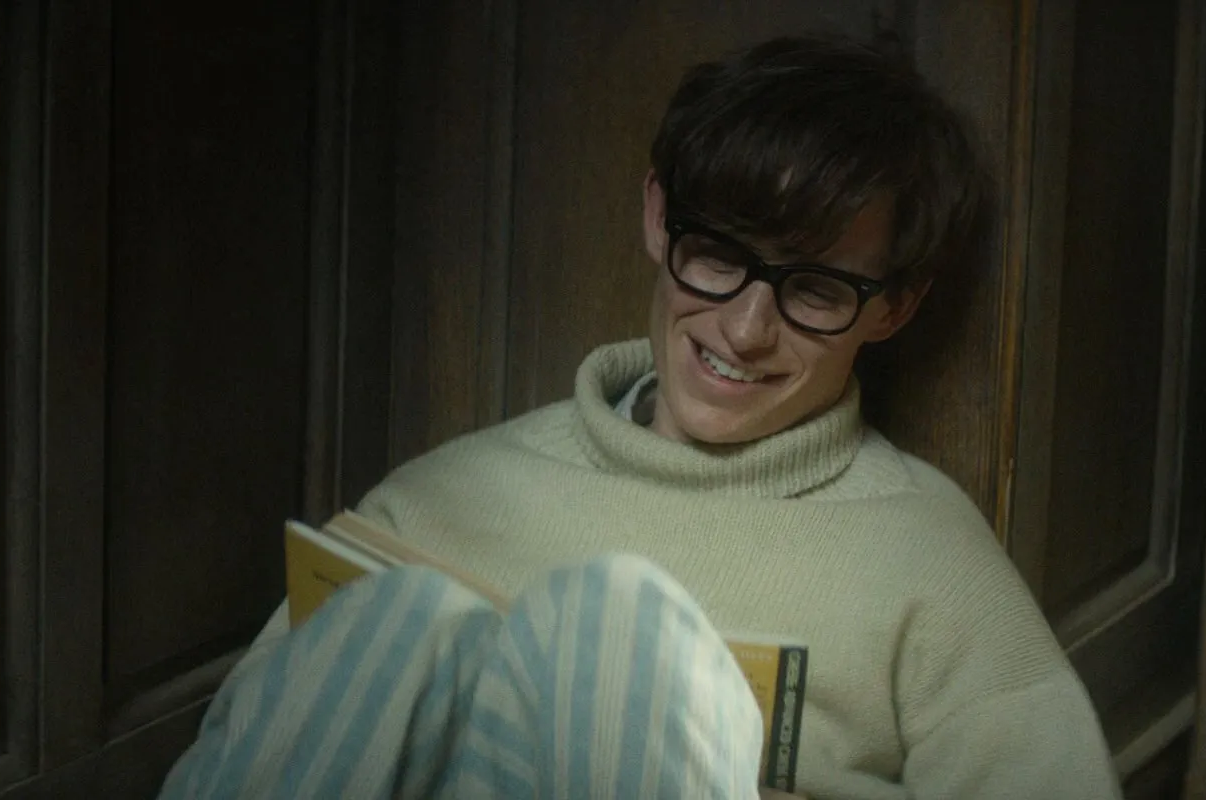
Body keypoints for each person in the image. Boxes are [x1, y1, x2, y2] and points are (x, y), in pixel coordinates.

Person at [167, 33, 1123, 800]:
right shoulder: (442, 498)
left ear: (893, 308)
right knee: (401, 618)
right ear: (661, 220)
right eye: (719, 255)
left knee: (621, 628)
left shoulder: (932, 563)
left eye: (815, 289)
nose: (745, 330)